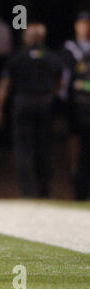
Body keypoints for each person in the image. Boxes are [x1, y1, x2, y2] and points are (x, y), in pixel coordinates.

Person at [0, 23, 63, 198]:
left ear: (28, 37)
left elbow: (5, 85)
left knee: (24, 148)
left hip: (23, 103)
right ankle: (45, 189)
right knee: (45, 147)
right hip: (45, 103)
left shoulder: (17, 57)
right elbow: (59, 84)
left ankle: (27, 191)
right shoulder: (53, 58)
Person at [60, 11, 90, 200]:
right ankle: (74, 170)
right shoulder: (69, 49)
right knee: (75, 138)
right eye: (82, 23)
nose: (85, 27)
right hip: (75, 103)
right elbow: (63, 78)